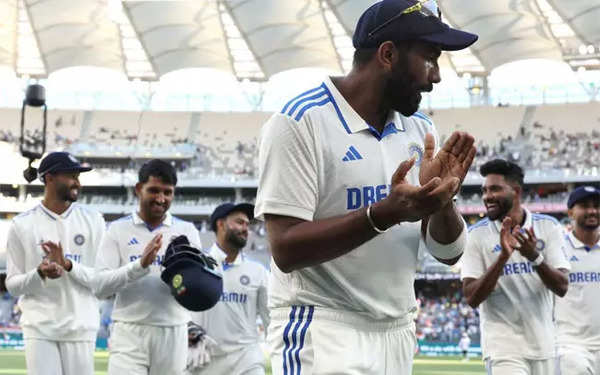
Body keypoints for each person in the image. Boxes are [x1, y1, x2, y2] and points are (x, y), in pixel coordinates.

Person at [254, 0, 478, 373]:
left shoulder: (419, 129)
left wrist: (442, 201)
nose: (435, 77)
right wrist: (382, 215)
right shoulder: (299, 122)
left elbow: (449, 253)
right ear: (388, 54)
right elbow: (285, 248)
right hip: (323, 329)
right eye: (430, 58)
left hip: (397, 329)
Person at [461, 159, 570, 375]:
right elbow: (472, 297)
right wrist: (502, 258)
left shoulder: (548, 227)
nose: (486, 197)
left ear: (516, 191)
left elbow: (562, 286)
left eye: (495, 189)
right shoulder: (475, 235)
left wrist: (534, 257)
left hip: (544, 347)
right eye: (484, 190)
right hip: (502, 349)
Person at [94, 159, 202, 375]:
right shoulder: (117, 229)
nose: (161, 199)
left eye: (167, 192)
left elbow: (195, 287)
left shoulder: (187, 231)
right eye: (153, 190)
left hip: (173, 331)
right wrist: (140, 265)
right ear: (138, 189)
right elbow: (100, 287)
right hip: (129, 331)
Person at [5, 152, 105, 375]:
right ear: (49, 178)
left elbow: (102, 279)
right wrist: (39, 273)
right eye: (71, 175)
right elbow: (13, 285)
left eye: (78, 176)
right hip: (39, 328)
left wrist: (69, 266)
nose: (77, 182)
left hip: (82, 326)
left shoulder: (94, 220)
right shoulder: (22, 224)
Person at [189, 203, 269, 375]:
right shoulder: (194, 266)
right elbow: (176, 310)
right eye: (240, 222)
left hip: (246, 361)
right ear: (221, 224)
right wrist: (189, 334)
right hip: (203, 362)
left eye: (248, 224)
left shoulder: (259, 272)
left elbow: (272, 320)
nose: (246, 228)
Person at [555, 186, 600, 374]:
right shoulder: (558, 248)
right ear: (570, 212)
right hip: (570, 346)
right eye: (584, 205)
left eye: (597, 206)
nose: (592, 211)